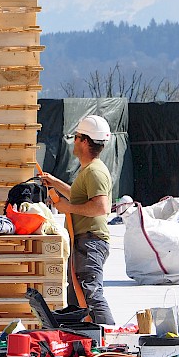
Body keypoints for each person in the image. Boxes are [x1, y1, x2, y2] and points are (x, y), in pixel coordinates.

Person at [40, 114, 115, 325]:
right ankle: (87, 339)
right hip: (84, 242)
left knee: (91, 294)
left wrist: (68, 208)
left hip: (91, 242)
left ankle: (109, 337)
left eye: (77, 136)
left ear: (85, 141)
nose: (74, 140)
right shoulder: (88, 171)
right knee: (78, 297)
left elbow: (101, 207)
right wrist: (55, 183)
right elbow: (79, 195)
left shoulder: (95, 172)